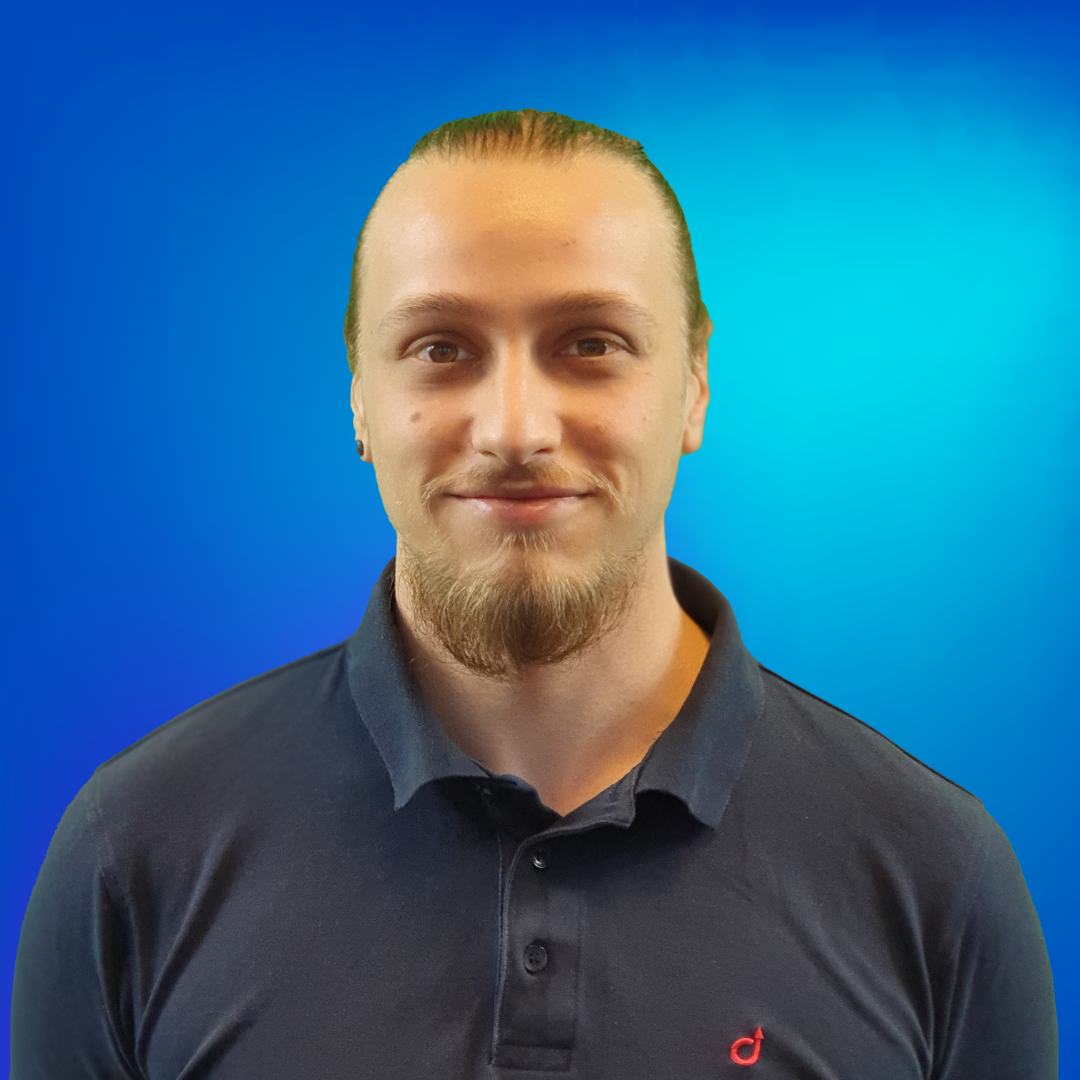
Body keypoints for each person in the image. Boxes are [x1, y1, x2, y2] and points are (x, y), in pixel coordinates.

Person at [12, 109, 1057, 1079]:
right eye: (440, 348)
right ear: (360, 400)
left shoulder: (934, 879)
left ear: (693, 385)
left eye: (590, 344)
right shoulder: (135, 852)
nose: (515, 429)